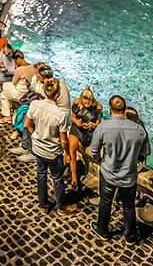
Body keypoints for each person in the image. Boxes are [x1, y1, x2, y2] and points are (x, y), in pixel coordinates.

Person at [90, 95, 150, 244]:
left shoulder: (103, 127)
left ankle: (102, 230)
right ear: (124, 108)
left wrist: (100, 160)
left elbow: (93, 152)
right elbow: (145, 152)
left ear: (110, 109)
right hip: (129, 176)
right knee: (129, 207)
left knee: (105, 202)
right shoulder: (140, 130)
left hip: (108, 174)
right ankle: (130, 236)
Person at [25, 78, 77, 215]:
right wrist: (67, 153)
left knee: (41, 175)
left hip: (38, 148)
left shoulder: (35, 104)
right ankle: (61, 207)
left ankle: (43, 205)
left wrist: (35, 134)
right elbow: (64, 140)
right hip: (53, 151)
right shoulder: (60, 114)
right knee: (57, 178)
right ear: (58, 93)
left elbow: (27, 125)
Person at [67, 86, 102, 190]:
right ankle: (74, 177)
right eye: (85, 102)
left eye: (88, 103)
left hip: (89, 132)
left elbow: (98, 123)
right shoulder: (77, 103)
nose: (87, 105)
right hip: (77, 129)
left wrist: (93, 125)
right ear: (82, 99)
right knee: (71, 147)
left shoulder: (98, 107)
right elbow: (72, 118)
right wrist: (77, 122)